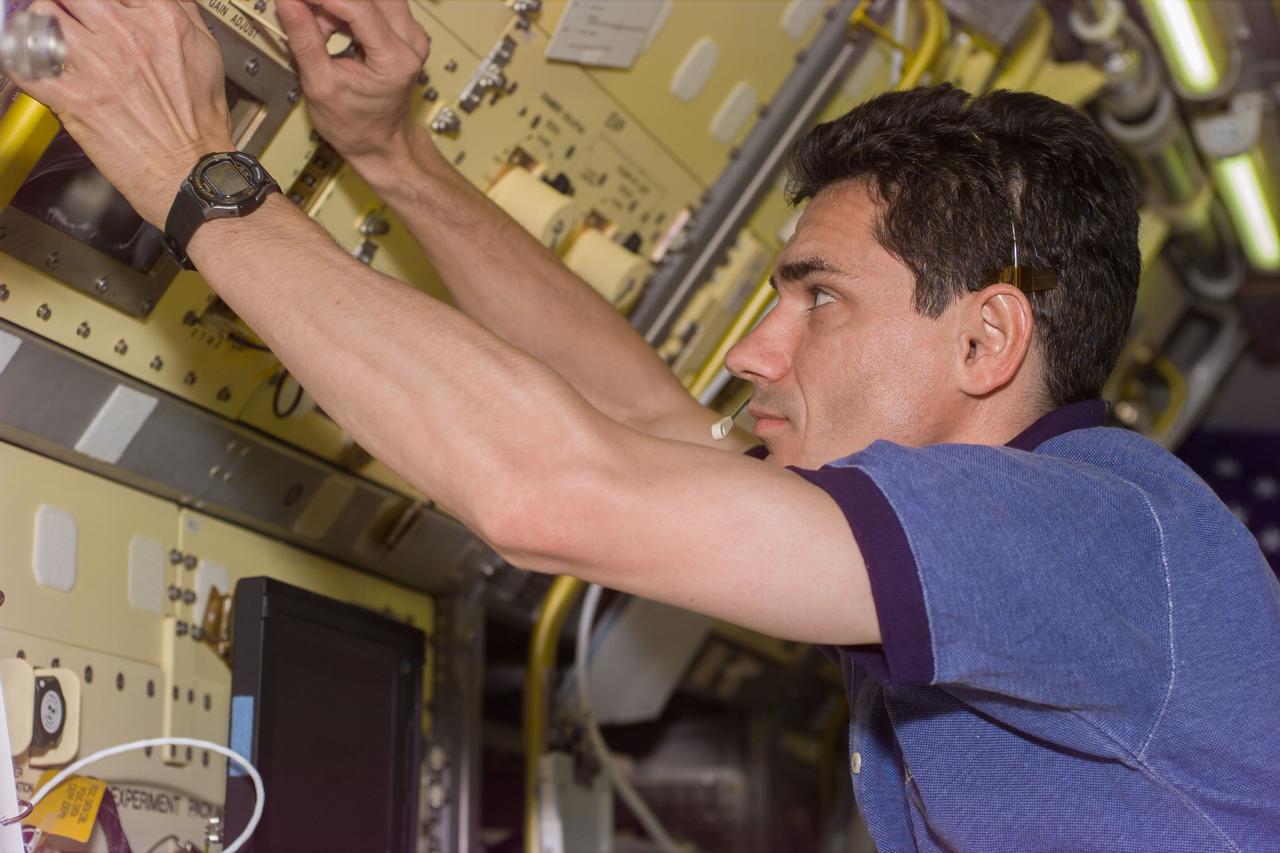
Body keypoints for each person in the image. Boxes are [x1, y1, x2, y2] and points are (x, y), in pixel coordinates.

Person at [15, 0, 1280, 848]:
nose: (751, 352)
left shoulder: (1073, 527)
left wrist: (186, 165)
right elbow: (647, 428)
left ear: (985, 338)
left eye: (816, 297)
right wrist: (397, 158)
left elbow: (554, 494)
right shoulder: (1061, 531)